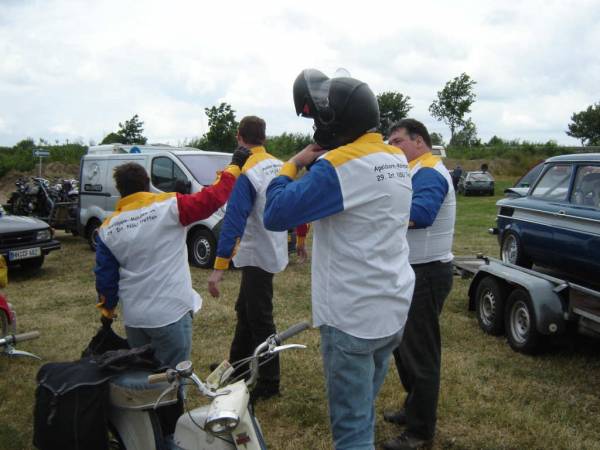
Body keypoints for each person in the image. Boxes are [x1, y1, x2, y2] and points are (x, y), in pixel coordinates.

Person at [263, 69, 414, 450]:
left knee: (351, 431)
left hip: (351, 317)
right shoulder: (395, 156)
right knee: (362, 409)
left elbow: (276, 212)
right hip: (391, 307)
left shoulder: (339, 167)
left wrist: (292, 164)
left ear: (337, 123)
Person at [94, 148, 249, 368]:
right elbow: (212, 198)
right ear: (147, 182)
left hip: (135, 319)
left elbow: (105, 278)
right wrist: (235, 166)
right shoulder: (170, 206)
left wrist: (107, 311)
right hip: (170, 313)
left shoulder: (107, 228)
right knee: (174, 383)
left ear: (120, 190)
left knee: (142, 378)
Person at [207, 116, 295, 401]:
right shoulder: (278, 164)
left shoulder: (246, 170)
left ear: (238, 136)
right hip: (272, 247)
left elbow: (234, 219)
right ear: (264, 137)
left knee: (260, 319)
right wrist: (300, 238)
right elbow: (294, 199)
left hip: (256, 251)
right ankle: (238, 367)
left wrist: (219, 268)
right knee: (245, 310)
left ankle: (270, 382)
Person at [382, 119, 456, 450]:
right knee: (404, 346)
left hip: (426, 273)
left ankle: (419, 432)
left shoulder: (428, 172)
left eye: (397, 142)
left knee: (420, 353)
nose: (392, 147)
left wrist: (379, 212)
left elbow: (422, 213)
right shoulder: (416, 169)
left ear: (420, 142)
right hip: (416, 271)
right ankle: (414, 409)